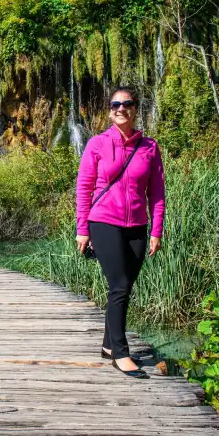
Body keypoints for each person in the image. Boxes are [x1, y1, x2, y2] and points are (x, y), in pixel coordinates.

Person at [75, 87, 165, 380]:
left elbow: (157, 192)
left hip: (137, 226)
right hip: (104, 222)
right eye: (115, 104)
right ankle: (121, 353)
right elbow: (84, 188)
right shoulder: (97, 144)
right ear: (110, 110)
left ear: (135, 108)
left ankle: (107, 345)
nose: (120, 108)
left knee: (124, 287)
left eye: (127, 104)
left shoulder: (149, 147)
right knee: (120, 286)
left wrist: (156, 230)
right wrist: (82, 229)